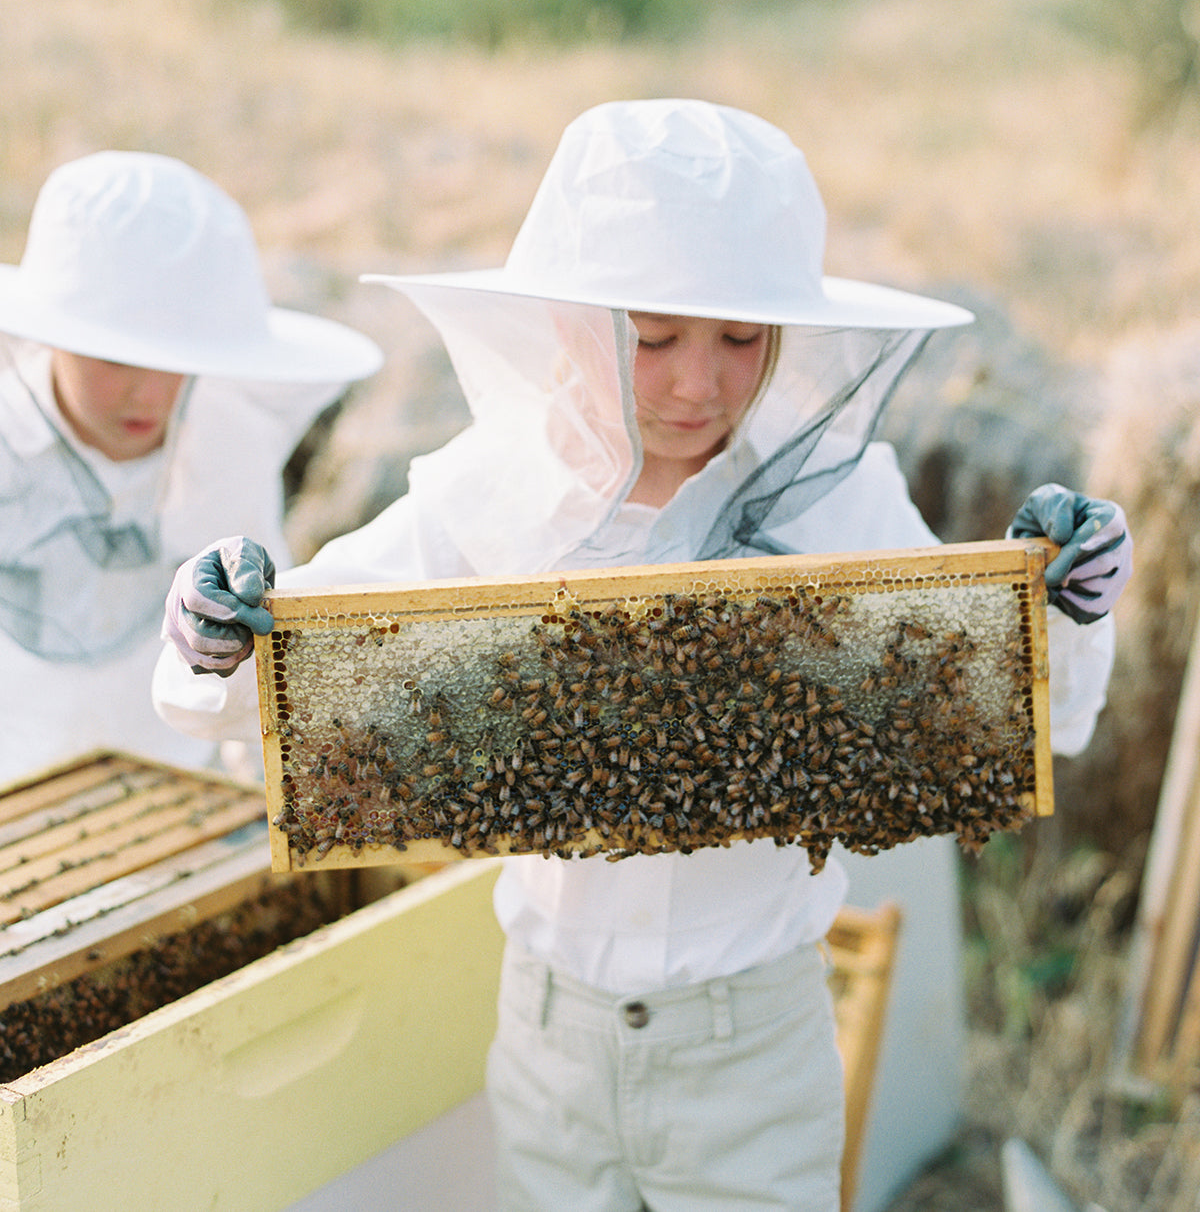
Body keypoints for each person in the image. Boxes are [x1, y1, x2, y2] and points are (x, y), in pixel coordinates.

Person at [155, 99, 1132, 1212]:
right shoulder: (489, 493)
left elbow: (1015, 712)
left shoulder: (840, 502)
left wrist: (1065, 606)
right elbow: (288, 665)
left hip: (753, 1047)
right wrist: (212, 629)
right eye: (653, 337)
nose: (695, 384)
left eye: (740, 339)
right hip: (549, 1035)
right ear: (571, 320)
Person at [0, 149, 382, 787]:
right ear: (51, 332)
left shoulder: (228, 437)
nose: (151, 393)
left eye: (177, 359)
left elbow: (264, 664)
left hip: (176, 784)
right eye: (118, 358)